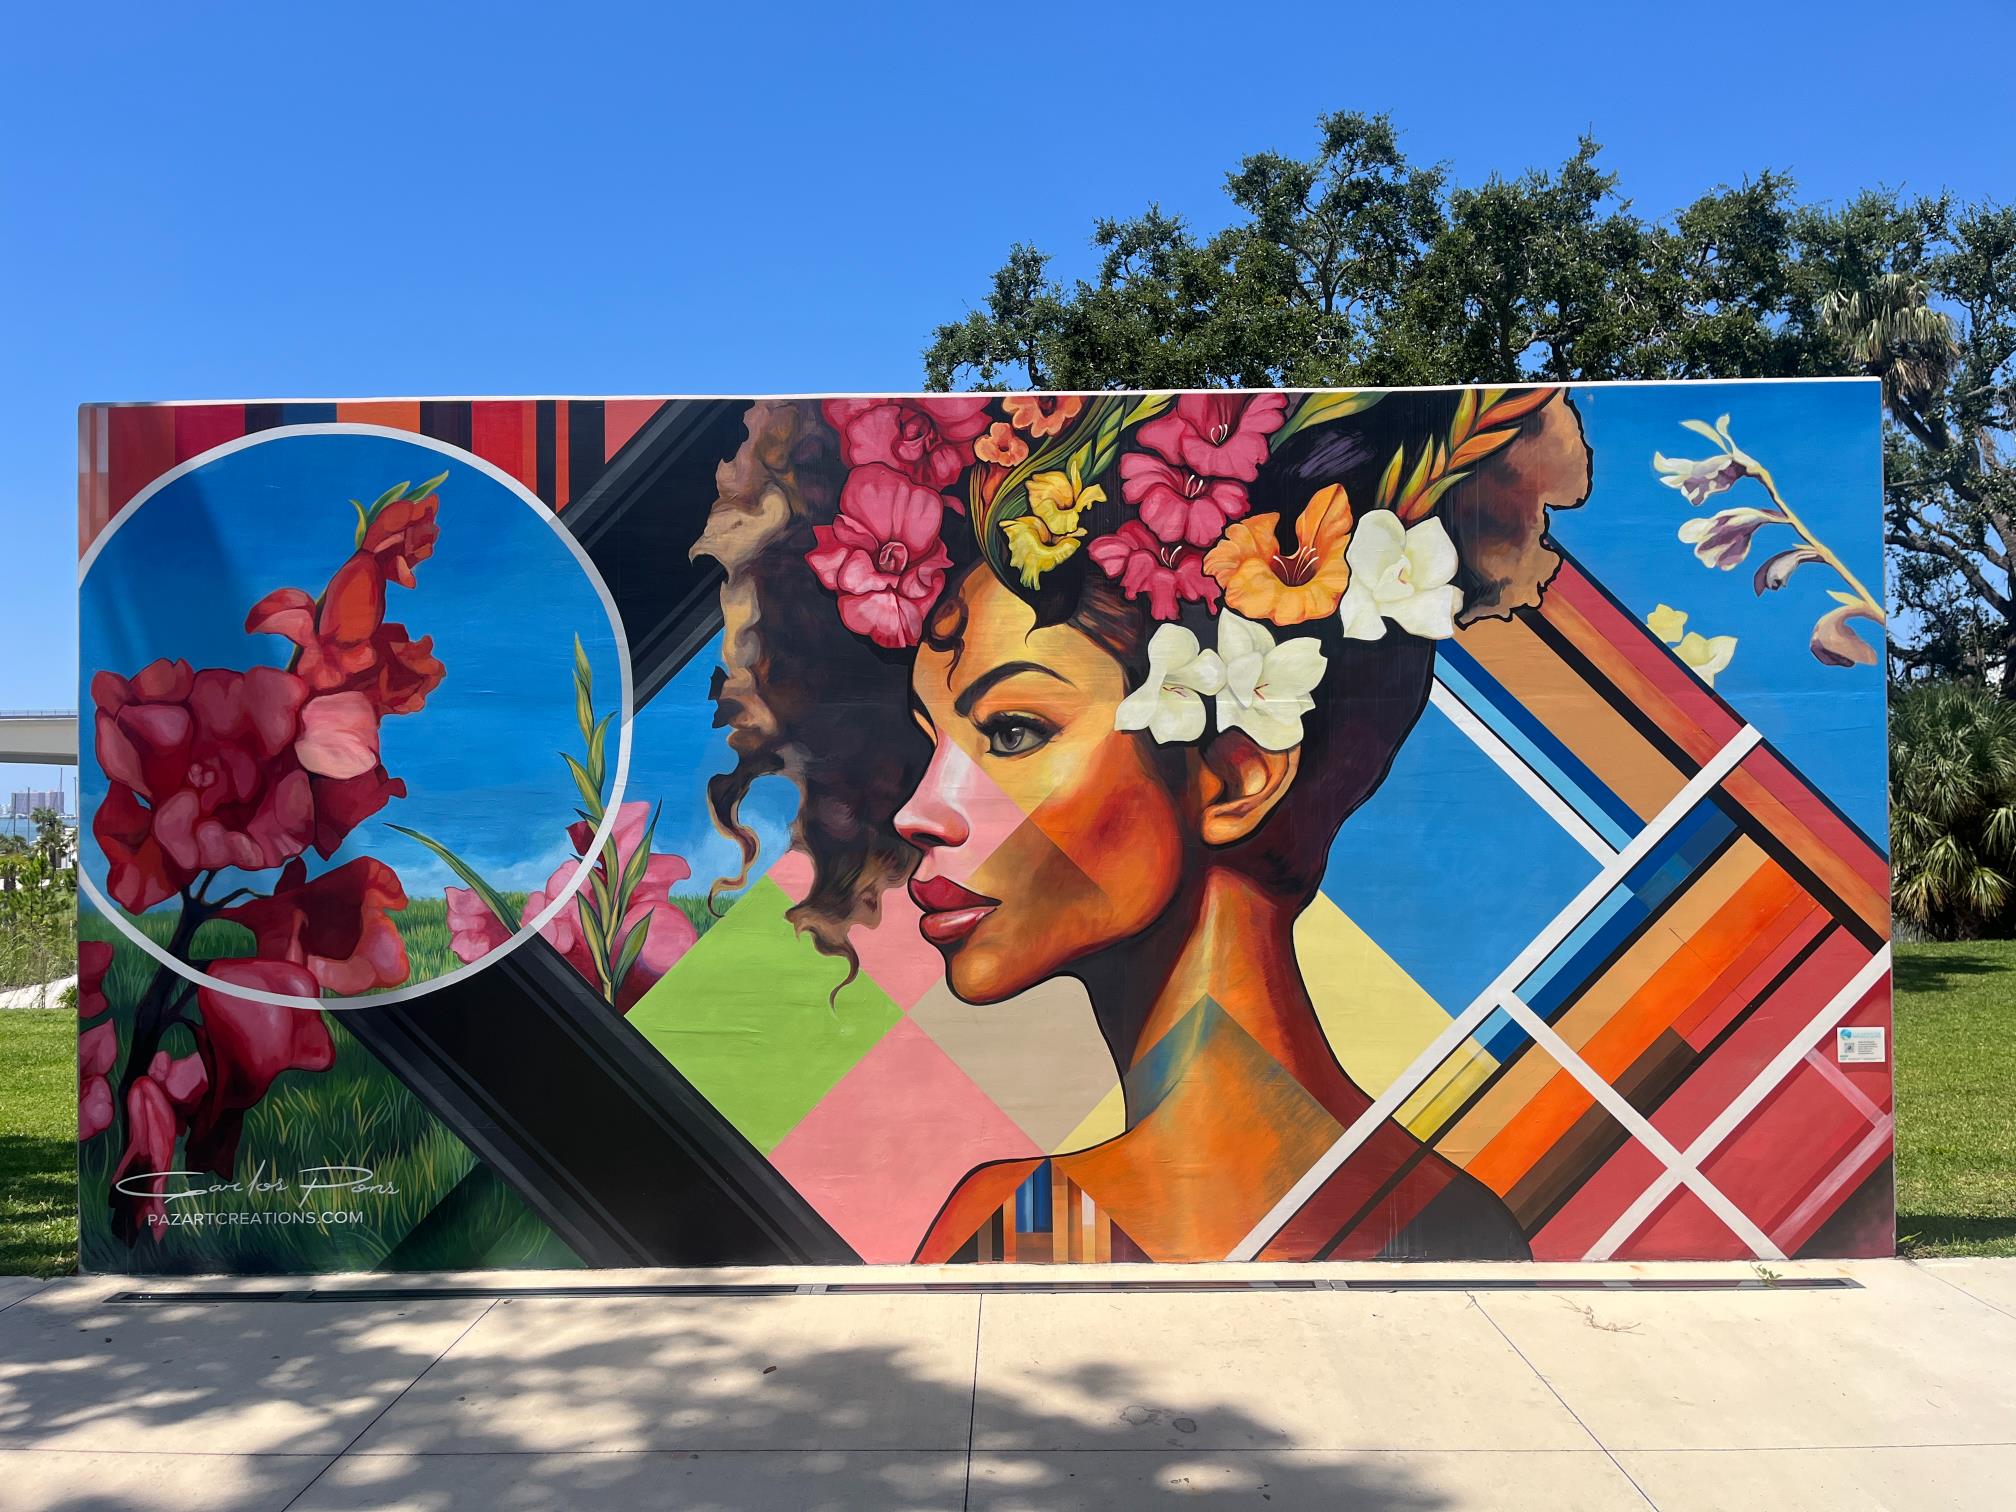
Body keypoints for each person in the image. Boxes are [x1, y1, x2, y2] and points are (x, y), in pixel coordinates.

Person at [698, 387, 1590, 1262]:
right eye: (933, 742)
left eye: (1013, 730)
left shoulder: (1035, 1235)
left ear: (1236, 774)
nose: (919, 812)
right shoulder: (1459, 1223)